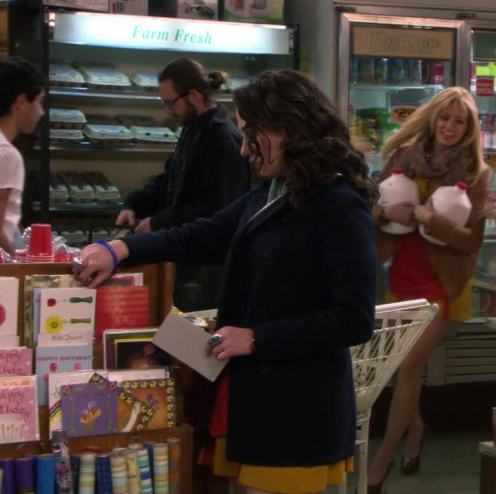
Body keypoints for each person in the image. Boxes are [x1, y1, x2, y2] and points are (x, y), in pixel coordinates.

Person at [77, 69, 377, 494]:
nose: (243, 148)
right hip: (253, 400)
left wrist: (257, 338)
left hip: (296, 410)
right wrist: (121, 249)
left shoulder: (339, 205)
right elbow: (202, 235)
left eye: (250, 134)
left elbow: (353, 319)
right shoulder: (271, 191)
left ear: (288, 128)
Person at [367, 87, 490, 492]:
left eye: (459, 121)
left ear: (469, 128)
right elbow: (371, 206)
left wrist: (432, 221)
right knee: (402, 367)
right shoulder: (404, 156)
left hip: (443, 282)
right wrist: (385, 212)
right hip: (401, 273)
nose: (450, 127)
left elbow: (472, 241)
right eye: (445, 117)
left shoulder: (476, 173)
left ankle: (380, 463)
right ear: (433, 118)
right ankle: (416, 428)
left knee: (407, 367)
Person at [116, 58, 250, 310]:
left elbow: (218, 209)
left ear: (195, 96)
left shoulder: (222, 138)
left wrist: (157, 223)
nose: (167, 110)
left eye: (170, 102)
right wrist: (134, 205)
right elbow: (169, 181)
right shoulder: (193, 130)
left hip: (207, 269)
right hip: (185, 259)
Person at [0, 57, 44, 255]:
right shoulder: (6, 154)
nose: (41, 112)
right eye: (39, 102)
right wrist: (19, 263)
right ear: (21, 102)